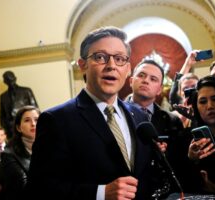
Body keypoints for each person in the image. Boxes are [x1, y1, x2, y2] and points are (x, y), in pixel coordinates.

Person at [26, 26, 160, 200]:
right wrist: (100, 193)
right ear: (83, 65)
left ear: (127, 69)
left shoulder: (140, 117)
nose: (111, 66)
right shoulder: (57, 120)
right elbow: (39, 189)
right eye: (100, 57)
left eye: (119, 59)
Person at [169, 76, 215, 195]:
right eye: (203, 101)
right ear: (196, 106)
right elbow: (177, 183)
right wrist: (191, 160)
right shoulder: (184, 138)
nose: (210, 106)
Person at [126, 58, 184, 198]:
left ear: (159, 90)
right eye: (141, 75)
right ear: (131, 81)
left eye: (153, 79)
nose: (146, 81)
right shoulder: (114, 115)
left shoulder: (172, 121)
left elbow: (179, 163)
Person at [1, 105, 40, 200]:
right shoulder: (8, 154)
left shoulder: (52, 146)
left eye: (37, 120)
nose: (33, 124)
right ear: (18, 128)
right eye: (27, 120)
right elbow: (23, 187)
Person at [0, 71, 38, 139]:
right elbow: (2, 115)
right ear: (5, 81)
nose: (11, 83)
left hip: (26, 125)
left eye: (12, 80)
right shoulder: (3, 96)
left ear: (15, 79)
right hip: (10, 130)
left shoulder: (26, 91)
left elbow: (35, 109)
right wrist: (5, 127)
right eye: (8, 80)